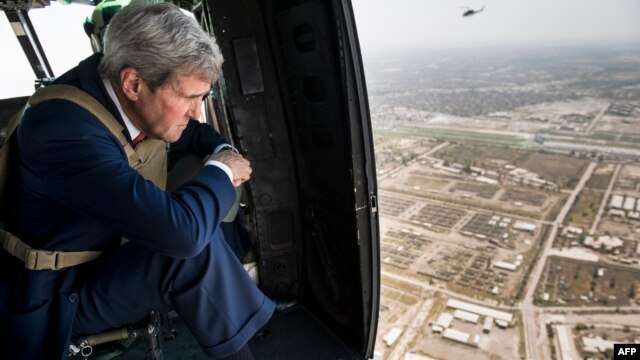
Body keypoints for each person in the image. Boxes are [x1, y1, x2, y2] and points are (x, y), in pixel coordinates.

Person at [0, 3, 275, 360]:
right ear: (133, 83)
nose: (195, 111)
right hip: (54, 297)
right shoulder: (64, 129)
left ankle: (239, 322)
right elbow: (182, 236)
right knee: (192, 247)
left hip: (101, 259)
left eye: (202, 97)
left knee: (204, 226)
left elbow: (193, 133)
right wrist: (222, 170)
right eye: (190, 97)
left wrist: (221, 150)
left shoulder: (122, 95)